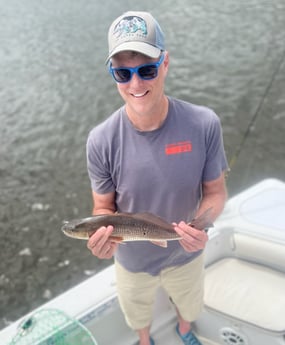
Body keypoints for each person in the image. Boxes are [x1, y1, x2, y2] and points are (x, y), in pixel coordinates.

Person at [86, 10, 228, 345]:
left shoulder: (204, 124)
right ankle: (145, 339)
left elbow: (216, 192)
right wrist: (103, 238)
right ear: (112, 73)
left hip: (186, 252)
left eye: (146, 69)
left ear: (165, 63)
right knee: (137, 312)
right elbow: (103, 207)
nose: (135, 84)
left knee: (189, 305)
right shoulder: (100, 140)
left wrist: (200, 227)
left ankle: (183, 329)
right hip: (132, 261)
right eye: (122, 73)